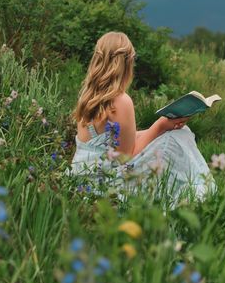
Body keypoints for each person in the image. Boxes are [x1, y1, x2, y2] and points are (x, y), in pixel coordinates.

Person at [70, 31, 215, 201]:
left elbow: (108, 143)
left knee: (168, 134)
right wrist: (160, 126)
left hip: (81, 176)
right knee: (179, 136)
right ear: (128, 63)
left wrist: (158, 130)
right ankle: (197, 193)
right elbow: (124, 158)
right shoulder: (121, 101)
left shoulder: (87, 96)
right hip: (104, 182)